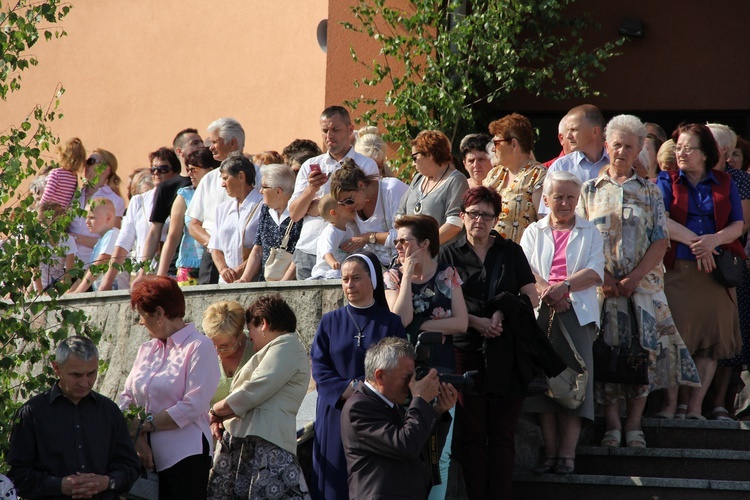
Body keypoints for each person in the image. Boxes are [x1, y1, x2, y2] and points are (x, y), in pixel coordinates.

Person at [578, 115, 699, 448]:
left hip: (643, 289)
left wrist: (633, 277)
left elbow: (661, 240)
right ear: (607, 146)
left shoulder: (649, 191)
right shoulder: (589, 190)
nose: (621, 151)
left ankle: (634, 426)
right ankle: (613, 426)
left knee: (644, 356)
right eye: (616, 144)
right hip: (603, 289)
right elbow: (581, 238)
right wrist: (604, 277)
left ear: (637, 152)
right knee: (607, 355)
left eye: (628, 147)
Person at [439, 186, 550, 499]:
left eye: (487, 215)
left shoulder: (510, 251)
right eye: (473, 214)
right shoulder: (448, 253)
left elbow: (529, 295)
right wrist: (476, 322)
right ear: (462, 217)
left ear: (496, 219)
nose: (479, 220)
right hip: (464, 348)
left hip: (506, 349)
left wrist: (501, 313)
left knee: (502, 433)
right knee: (472, 432)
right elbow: (442, 301)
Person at [655, 123, 744, 420]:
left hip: (716, 272)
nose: (680, 153)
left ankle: (694, 408)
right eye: (678, 147)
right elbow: (661, 222)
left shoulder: (725, 182)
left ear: (705, 154)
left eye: (688, 148)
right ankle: (670, 405)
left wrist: (714, 241)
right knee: (674, 337)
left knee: (710, 341)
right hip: (678, 267)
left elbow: (737, 225)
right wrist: (698, 244)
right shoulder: (666, 181)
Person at [520, 170, 604, 475]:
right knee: (545, 386)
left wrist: (563, 287)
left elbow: (596, 272)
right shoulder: (533, 231)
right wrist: (549, 292)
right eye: (559, 196)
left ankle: (567, 456)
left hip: (577, 313)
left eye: (571, 196)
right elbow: (525, 270)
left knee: (575, 384)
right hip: (541, 312)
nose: (565, 202)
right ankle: (550, 454)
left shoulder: (590, 231)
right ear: (546, 199)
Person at [310, 251, 407, 499]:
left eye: (356, 278)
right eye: (344, 279)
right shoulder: (330, 322)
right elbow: (319, 367)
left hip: (376, 415)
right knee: (334, 485)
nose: (349, 285)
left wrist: (366, 391)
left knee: (372, 484)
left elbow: (401, 368)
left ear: (372, 281)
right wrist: (349, 389)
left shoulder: (391, 323)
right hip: (336, 411)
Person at [384, 214, 468, 499]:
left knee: (440, 453)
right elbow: (400, 318)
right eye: (396, 241)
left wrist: (423, 326)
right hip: (402, 375)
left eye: (404, 241)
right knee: (405, 449)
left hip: (441, 372)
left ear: (424, 244)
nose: (397, 246)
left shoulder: (448, 274)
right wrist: (407, 275)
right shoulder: (393, 276)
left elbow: (461, 323)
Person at [120, 276, 220, 498]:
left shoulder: (199, 346)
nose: (140, 322)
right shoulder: (146, 350)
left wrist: (144, 426)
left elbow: (191, 406)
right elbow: (125, 397)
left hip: (184, 459)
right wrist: (138, 438)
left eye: (142, 315)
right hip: (144, 458)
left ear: (158, 313)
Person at [7, 336, 139, 499]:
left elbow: (130, 467)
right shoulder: (32, 413)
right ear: (56, 368)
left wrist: (107, 482)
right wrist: (59, 485)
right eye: (76, 375)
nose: (85, 382)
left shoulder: (109, 412)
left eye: (91, 373)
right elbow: (17, 476)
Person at [207, 295, 312, 499]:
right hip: (248, 442)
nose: (249, 335)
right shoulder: (277, 348)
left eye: (251, 328)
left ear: (263, 323)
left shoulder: (287, 346)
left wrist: (215, 411)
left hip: (267, 445)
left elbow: (253, 390)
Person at [341, 337, 456, 500]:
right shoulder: (359, 407)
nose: (411, 384)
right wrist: (420, 399)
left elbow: (423, 451)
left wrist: (437, 412)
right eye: (406, 378)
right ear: (380, 376)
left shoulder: (392, 405)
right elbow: (405, 445)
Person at [289, 106, 379, 279]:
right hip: (309, 248)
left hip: (344, 249)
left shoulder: (366, 165)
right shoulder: (309, 166)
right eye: (324, 130)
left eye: (335, 130)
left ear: (350, 129)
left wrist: (318, 205)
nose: (329, 136)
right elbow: (294, 214)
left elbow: (366, 209)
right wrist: (311, 190)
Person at [706, 123, 750, 420]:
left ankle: (719, 401)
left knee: (730, 334)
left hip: (728, 263)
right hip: (693, 259)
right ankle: (687, 403)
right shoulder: (686, 179)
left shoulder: (739, 180)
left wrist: (713, 240)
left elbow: (743, 224)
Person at [188, 118, 249, 285]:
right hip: (212, 257)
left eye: (215, 142)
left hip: (247, 256)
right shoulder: (208, 180)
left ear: (232, 143)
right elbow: (193, 224)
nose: (210, 147)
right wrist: (214, 245)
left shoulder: (258, 175)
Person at [157, 147, 220, 286]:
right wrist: (161, 275)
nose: (190, 174)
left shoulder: (223, 194)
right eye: (188, 169)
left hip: (217, 262)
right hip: (189, 265)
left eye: (194, 169)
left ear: (210, 170)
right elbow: (173, 237)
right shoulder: (185, 195)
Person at [330, 158, 408, 266]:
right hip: (376, 266)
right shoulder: (356, 205)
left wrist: (368, 237)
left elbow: (405, 235)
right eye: (342, 203)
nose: (347, 206)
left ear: (361, 185)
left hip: (405, 262)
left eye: (349, 200)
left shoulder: (392, 189)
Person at [397, 130, 469, 245]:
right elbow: (400, 215)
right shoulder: (418, 178)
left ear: (429, 155)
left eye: (415, 157)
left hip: (441, 258)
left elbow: (455, 224)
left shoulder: (456, 180)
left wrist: (424, 247)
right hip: (413, 253)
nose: (413, 163)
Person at [483, 113, 547, 243]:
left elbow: (544, 223)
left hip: (520, 257)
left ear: (513, 144)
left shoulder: (538, 175)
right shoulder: (495, 173)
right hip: (489, 254)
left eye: (496, 143)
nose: (493, 149)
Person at [239, 163, 303, 282]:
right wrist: (244, 279)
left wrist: (284, 283)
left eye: (264, 187)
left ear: (278, 192)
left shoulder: (300, 214)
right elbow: (258, 249)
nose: (260, 191)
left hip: (293, 284)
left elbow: (300, 254)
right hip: (266, 281)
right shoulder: (266, 210)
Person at [208, 153, 263, 284]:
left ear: (241, 176)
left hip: (254, 280)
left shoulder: (263, 205)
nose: (222, 184)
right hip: (226, 282)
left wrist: (240, 271)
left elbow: (263, 247)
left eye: (226, 178)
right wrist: (224, 270)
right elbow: (215, 247)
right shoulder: (222, 209)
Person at [69, 148, 126, 266]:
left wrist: (74, 238)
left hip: (90, 265)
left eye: (91, 161)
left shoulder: (115, 201)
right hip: (64, 265)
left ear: (105, 168)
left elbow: (111, 242)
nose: (85, 165)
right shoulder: (73, 194)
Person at [543, 104, 609, 194]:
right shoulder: (560, 167)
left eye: (574, 130)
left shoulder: (620, 164)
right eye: (568, 130)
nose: (568, 136)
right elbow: (546, 206)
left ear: (595, 131)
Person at [69, 198, 129, 293]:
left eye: (92, 217)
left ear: (108, 217)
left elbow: (101, 262)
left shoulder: (113, 234)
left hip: (115, 293)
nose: (87, 221)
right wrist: (70, 292)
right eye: (86, 218)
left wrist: (78, 292)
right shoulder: (100, 242)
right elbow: (89, 270)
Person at [201, 301, 254, 407]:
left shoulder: (256, 347)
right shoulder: (200, 349)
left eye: (223, 346)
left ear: (239, 334)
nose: (216, 351)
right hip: (209, 420)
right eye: (212, 344)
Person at [310, 194, 358, 279]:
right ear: (334, 213)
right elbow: (326, 252)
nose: (350, 206)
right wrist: (333, 262)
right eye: (344, 204)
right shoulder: (330, 232)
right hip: (325, 273)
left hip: (339, 272)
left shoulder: (349, 231)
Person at [32, 201, 77, 294]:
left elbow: (69, 270)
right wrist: (40, 292)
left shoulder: (68, 240)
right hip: (39, 287)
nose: (39, 226)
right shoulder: (36, 241)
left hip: (58, 286)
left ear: (55, 220)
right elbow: (34, 270)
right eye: (37, 222)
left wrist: (59, 289)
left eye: (41, 222)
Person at [39, 137, 86, 207]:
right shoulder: (74, 178)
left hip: (48, 211)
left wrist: (38, 208)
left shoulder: (56, 173)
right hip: (61, 215)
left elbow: (47, 195)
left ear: (61, 155)